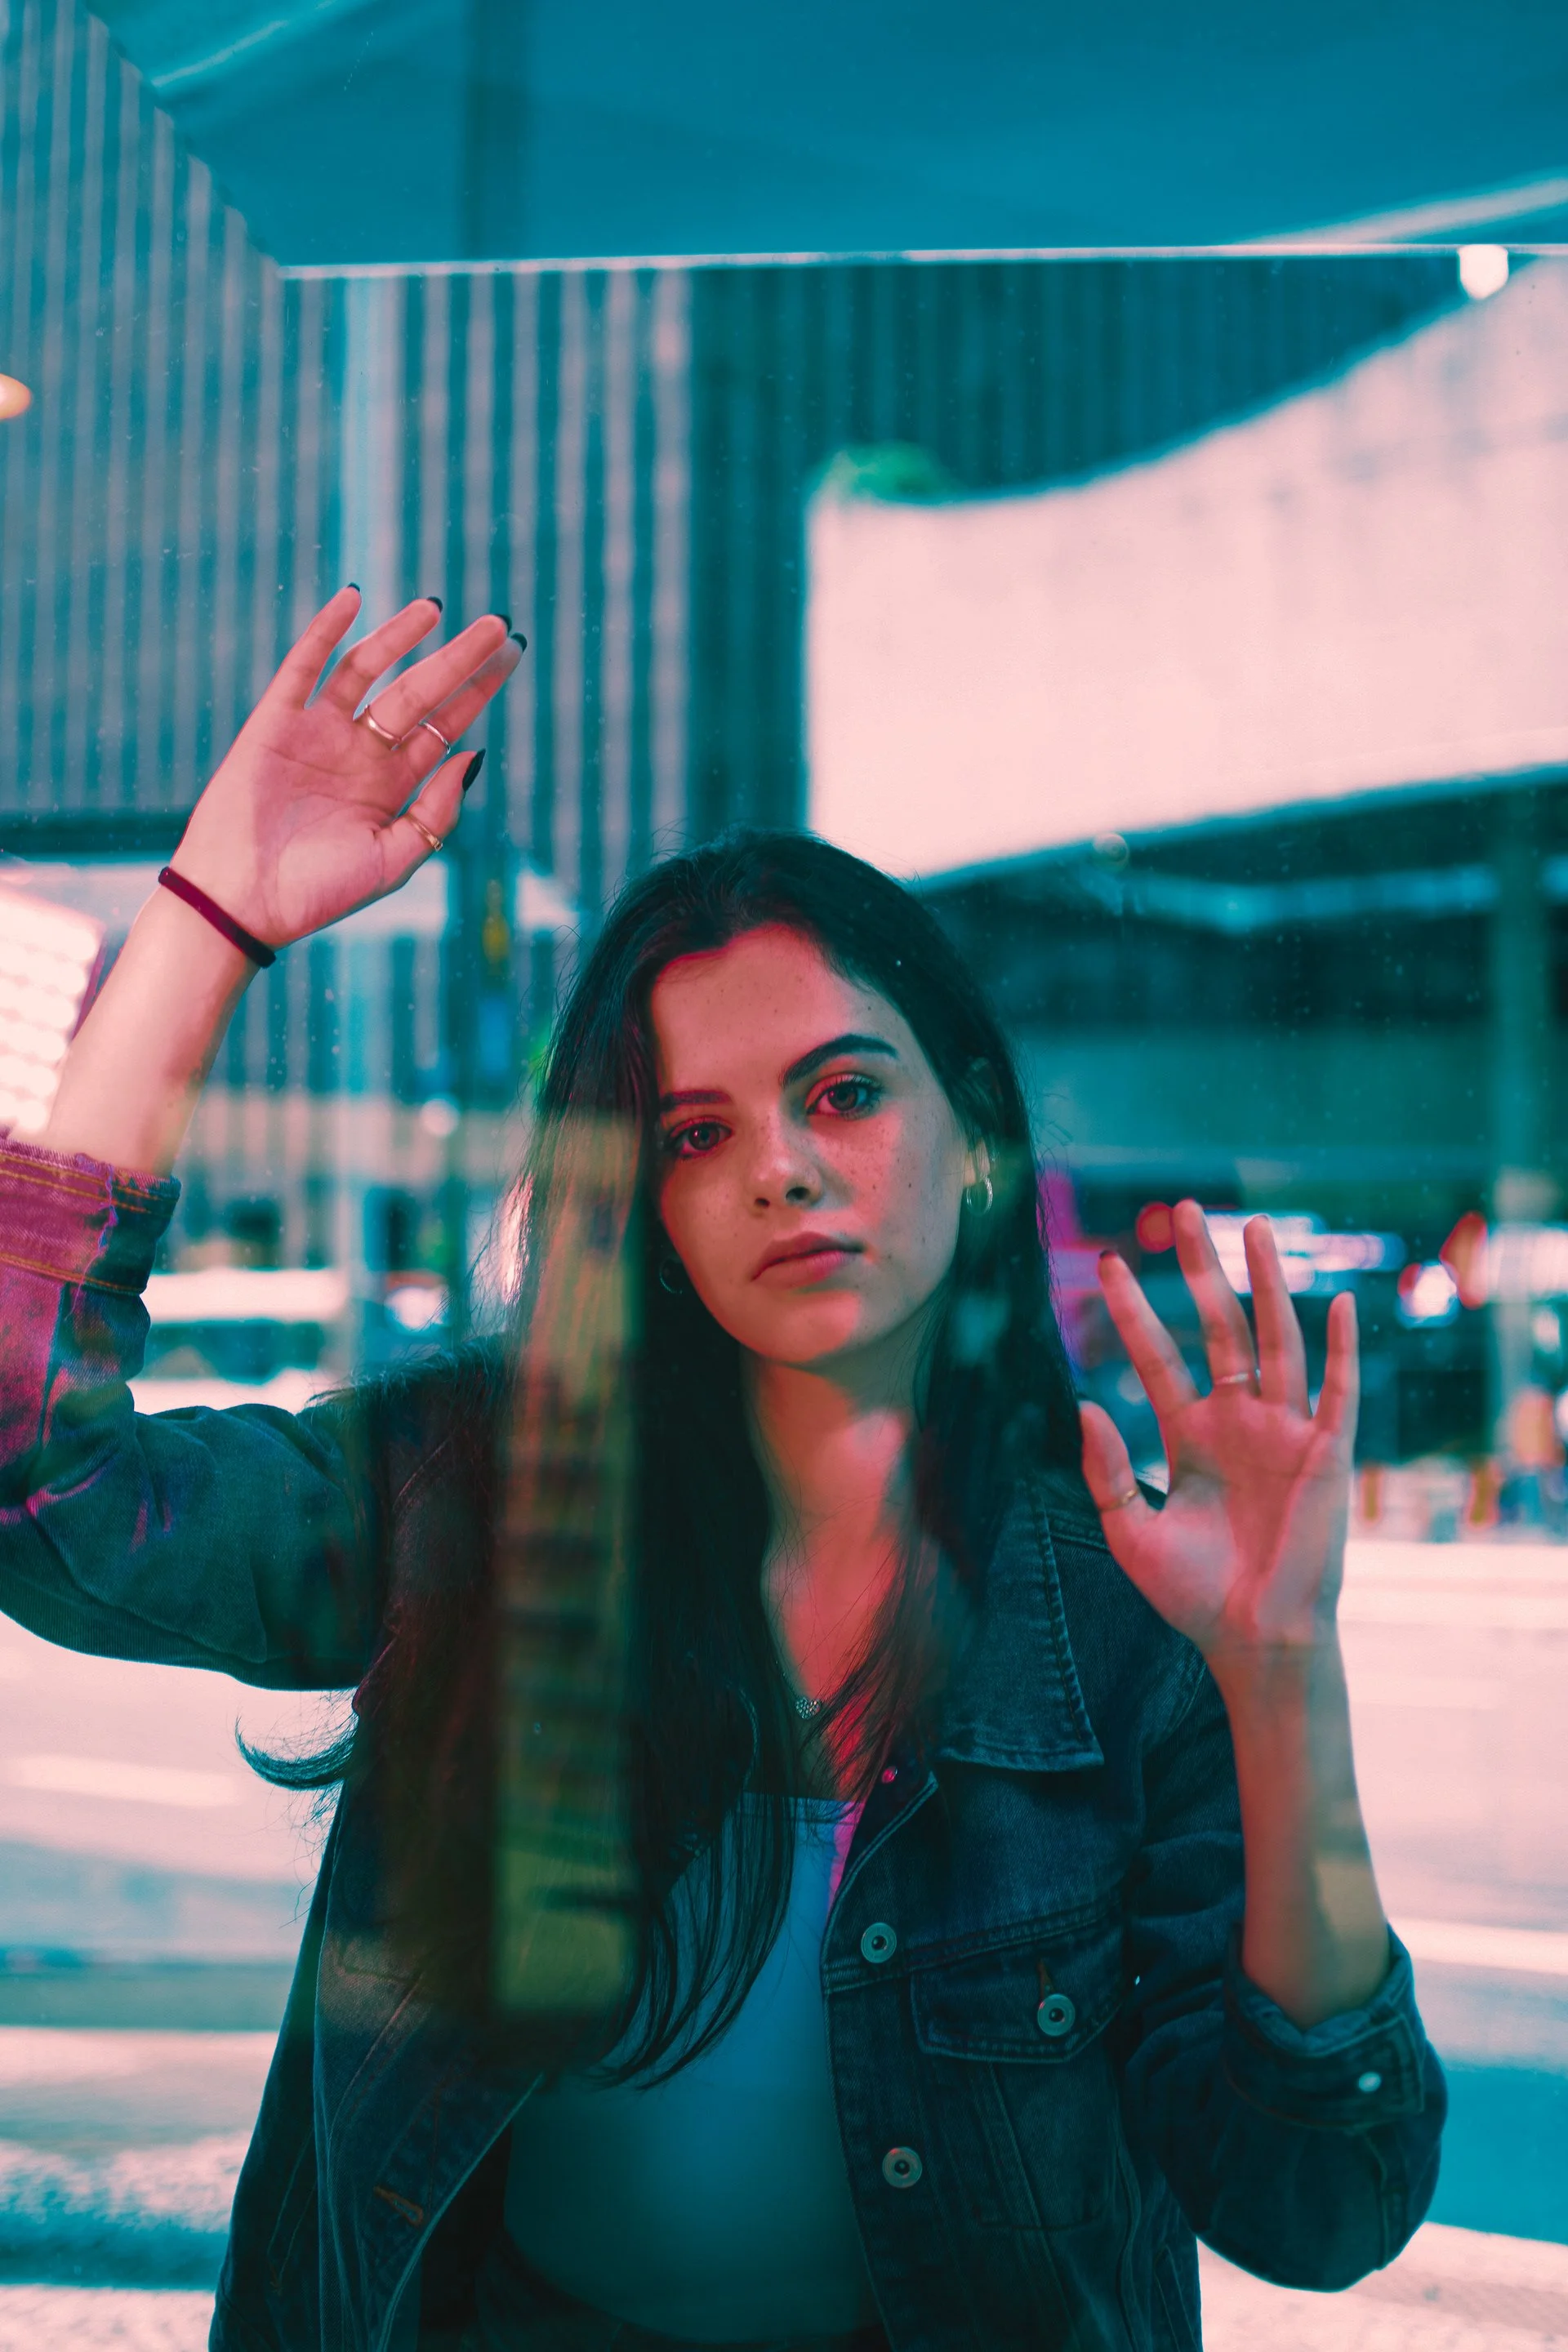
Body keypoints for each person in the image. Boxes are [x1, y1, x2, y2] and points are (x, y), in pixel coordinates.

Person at [0, 590, 1443, 2352]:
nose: (780, 1169)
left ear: (975, 1140)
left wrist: (1285, 1682)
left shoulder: (1127, 1614)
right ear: (647, 1204)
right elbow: (36, 1493)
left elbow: (1321, 2209)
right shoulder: (478, 1493)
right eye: (698, 1132)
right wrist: (210, 921)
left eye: (843, 1094)